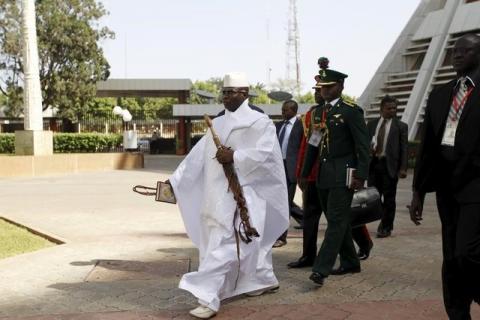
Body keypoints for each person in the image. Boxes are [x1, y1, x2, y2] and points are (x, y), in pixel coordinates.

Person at [168, 72, 289, 319]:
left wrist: (235, 156)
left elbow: (266, 156)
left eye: (230, 92)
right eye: (223, 92)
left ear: (244, 93)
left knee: (230, 247)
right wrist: (173, 182)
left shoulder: (259, 122)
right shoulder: (218, 124)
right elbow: (196, 158)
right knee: (223, 246)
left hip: (245, 198)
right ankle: (260, 280)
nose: (225, 97)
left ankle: (207, 298)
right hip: (214, 198)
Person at [409, 33, 480, 319]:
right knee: (451, 257)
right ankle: (457, 312)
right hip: (446, 187)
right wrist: (418, 192)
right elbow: (427, 146)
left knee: (468, 252)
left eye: (466, 50)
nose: (458, 54)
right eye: (454, 50)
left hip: (477, 185)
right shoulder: (440, 94)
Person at [299, 69, 370, 287]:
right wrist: (304, 173)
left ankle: (321, 268)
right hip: (323, 175)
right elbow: (313, 144)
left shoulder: (350, 111)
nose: (325, 90)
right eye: (322, 87)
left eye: (329, 86)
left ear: (340, 86)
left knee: (337, 222)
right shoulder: (319, 112)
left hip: (344, 175)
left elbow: (363, 146)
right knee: (336, 222)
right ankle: (350, 261)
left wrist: (361, 175)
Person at [287, 80, 324, 268]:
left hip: (332, 176)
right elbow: (304, 148)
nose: (318, 93)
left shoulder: (342, 113)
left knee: (341, 220)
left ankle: (360, 247)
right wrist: (302, 172)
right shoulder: (309, 116)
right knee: (309, 219)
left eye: (322, 89)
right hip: (312, 176)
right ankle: (308, 256)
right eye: (316, 90)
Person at [369, 95, 408, 238]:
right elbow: (365, 144)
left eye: (394, 108)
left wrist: (403, 168)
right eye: (389, 108)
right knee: (373, 197)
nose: (392, 110)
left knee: (390, 199)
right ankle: (383, 219)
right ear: (381, 109)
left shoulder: (401, 126)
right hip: (373, 165)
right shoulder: (372, 124)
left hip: (389, 167)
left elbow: (404, 148)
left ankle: (386, 227)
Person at [274, 100, 304, 248]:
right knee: (280, 201)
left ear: (293, 110)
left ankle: (281, 237)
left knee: (284, 204)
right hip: (277, 168)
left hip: (291, 169)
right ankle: (305, 219)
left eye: (285, 110)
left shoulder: (301, 126)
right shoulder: (278, 126)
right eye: (282, 109)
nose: (283, 112)